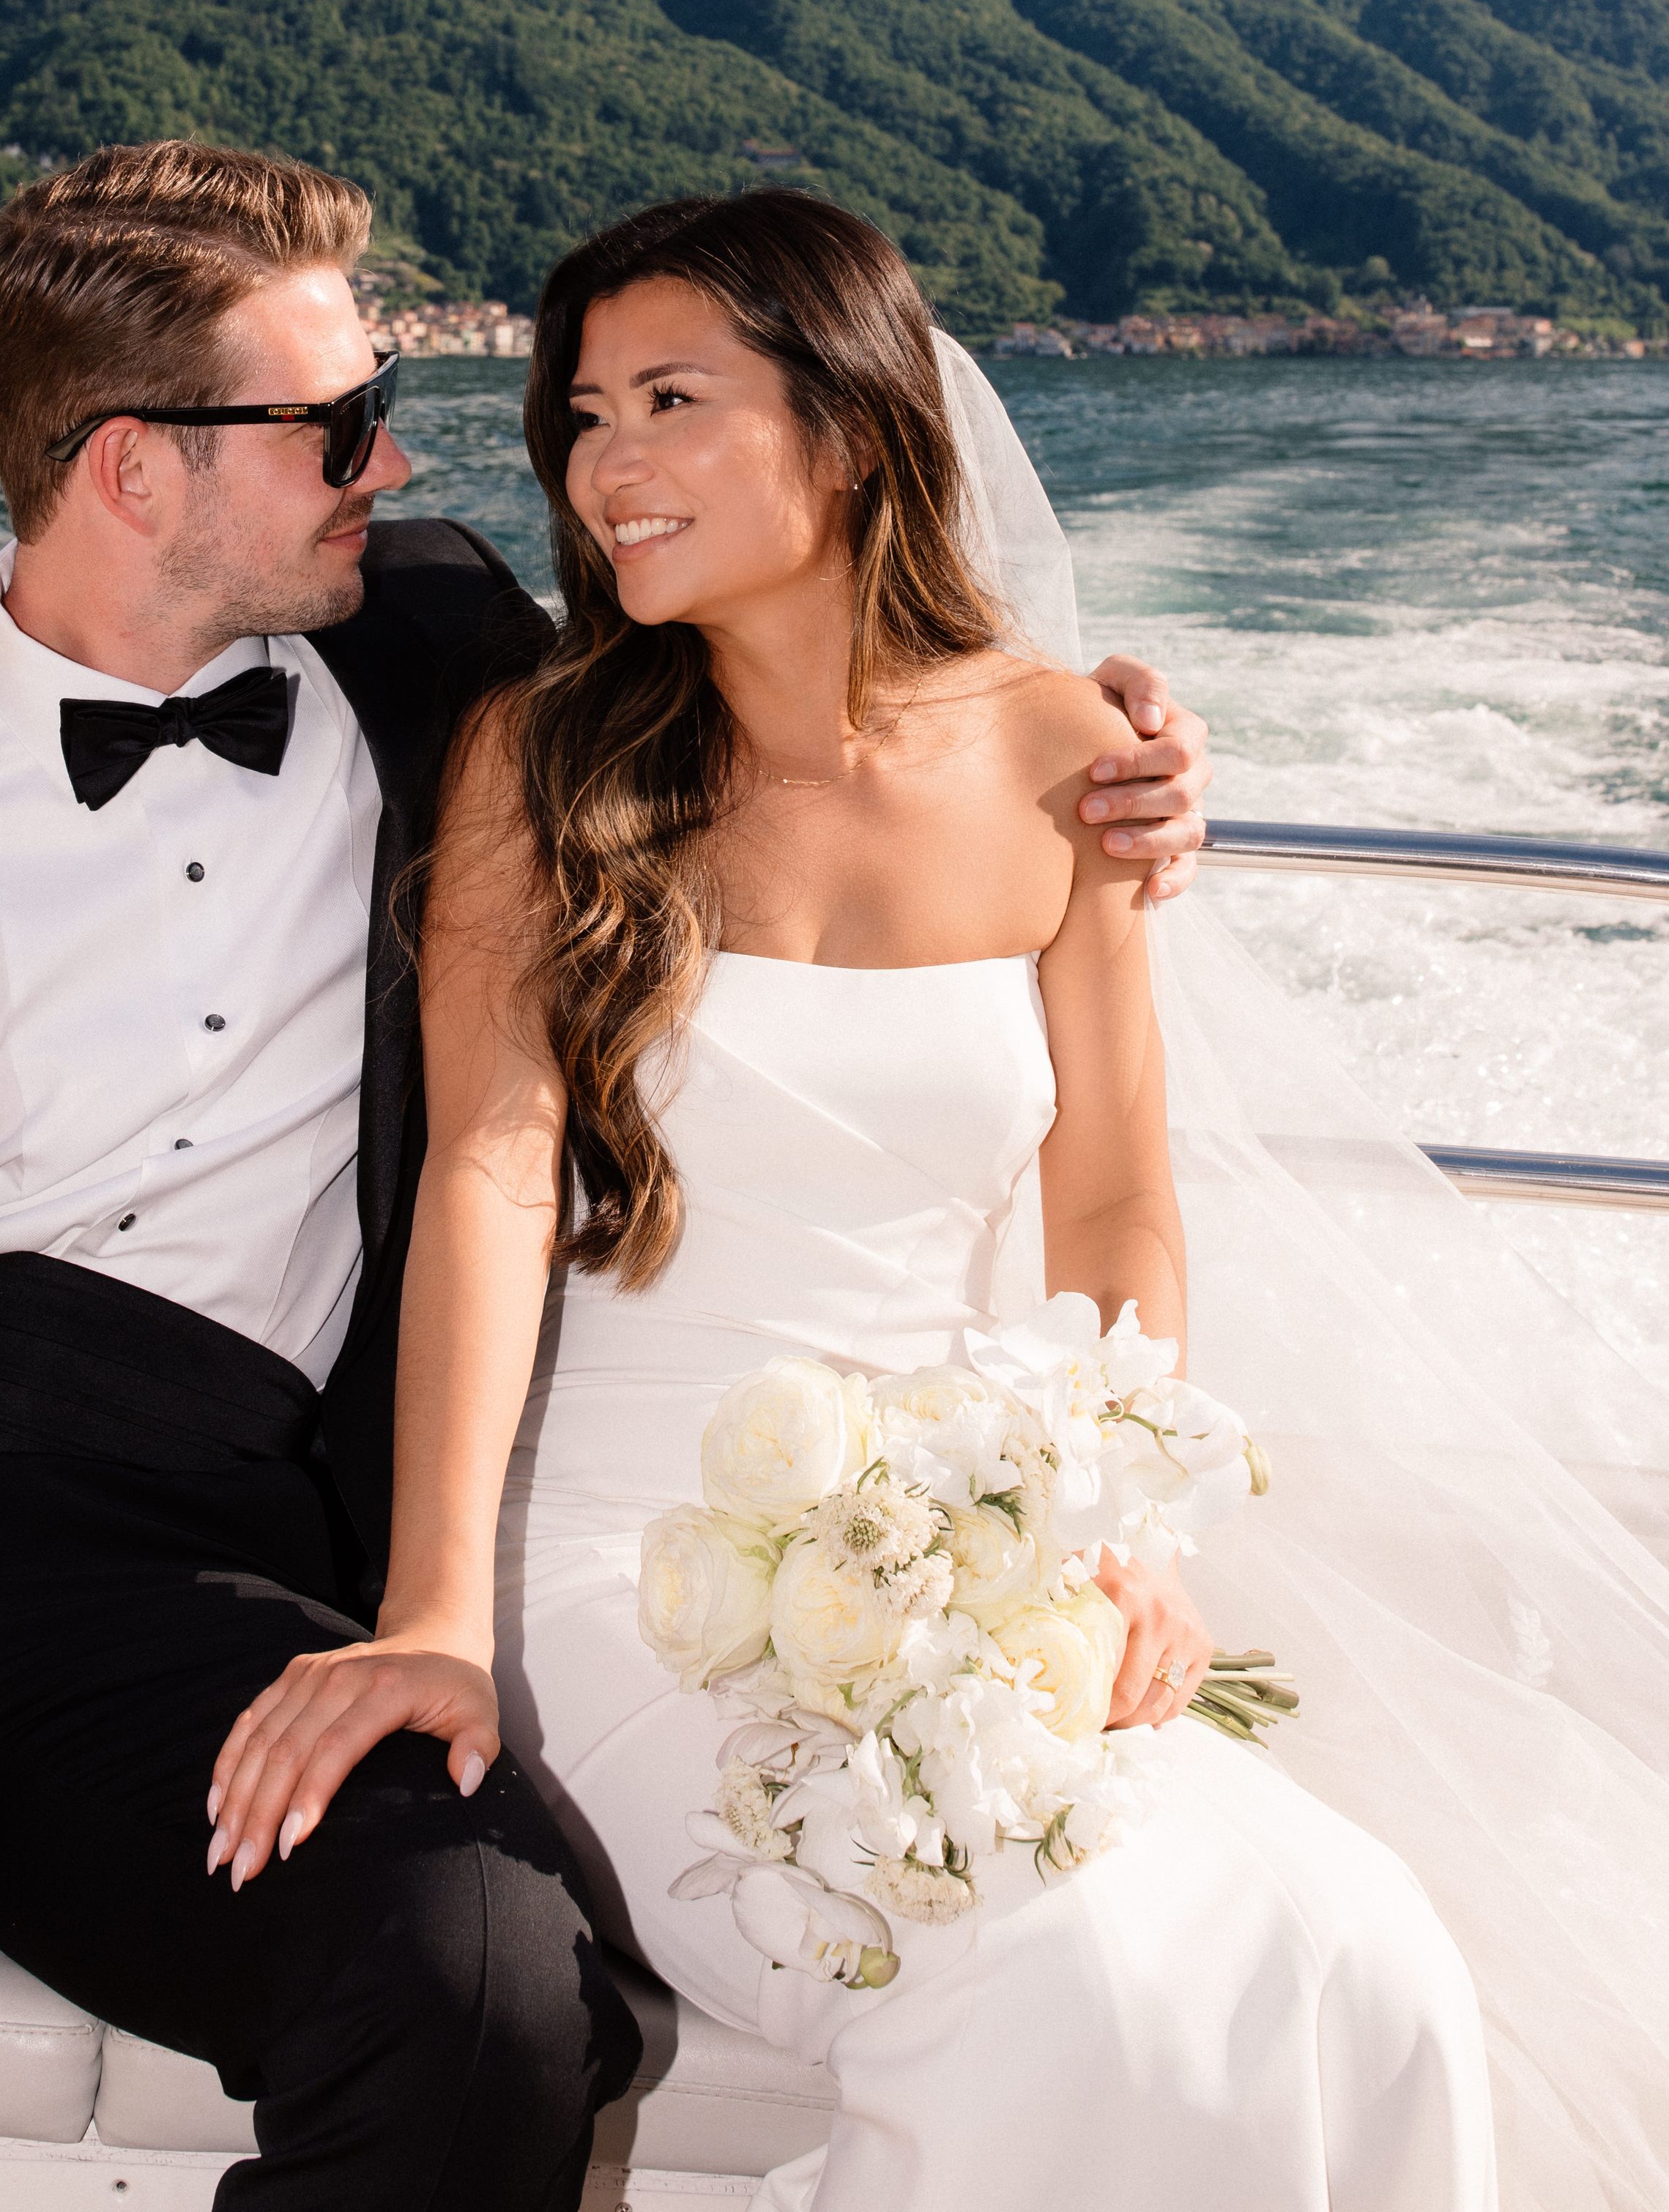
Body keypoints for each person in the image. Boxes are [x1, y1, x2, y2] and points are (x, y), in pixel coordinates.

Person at [0, 145, 1211, 2212]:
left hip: (212, 1584)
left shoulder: (468, 674)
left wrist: (1113, 750)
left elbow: (820, 685)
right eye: (337, 421)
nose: (391, 462)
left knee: (486, 1995)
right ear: (134, 472)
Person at [207, 187, 1503, 2212]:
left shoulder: (1074, 752)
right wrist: (438, 1610)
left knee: (1359, 1953)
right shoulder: (541, 759)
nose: (602, 463)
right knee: (1051, 1982)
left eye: (667, 399)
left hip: (970, 1559)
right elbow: (484, 1168)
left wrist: (1112, 1532)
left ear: (854, 416)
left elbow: (1115, 1205)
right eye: (580, 411)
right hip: (624, 1574)